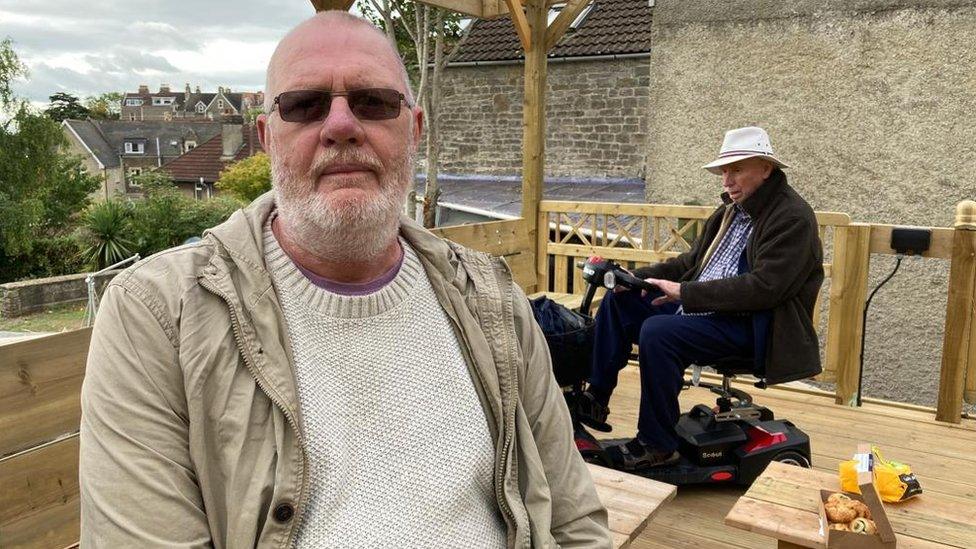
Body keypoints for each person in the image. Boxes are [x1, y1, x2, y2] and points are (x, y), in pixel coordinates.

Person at [79, 12, 610, 547]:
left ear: (415, 129)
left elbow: (574, 521)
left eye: (372, 102)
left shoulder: (492, 300)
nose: (340, 126)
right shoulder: (156, 316)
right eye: (304, 106)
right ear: (267, 137)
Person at [577, 126, 824, 471]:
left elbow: (765, 288)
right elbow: (689, 264)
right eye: (724, 170)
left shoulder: (792, 217)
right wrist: (636, 279)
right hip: (705, 309)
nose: (727, 180)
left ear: (766, 168)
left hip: (754, 328)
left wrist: (685, 293)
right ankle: (594, 400)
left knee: (660, 333)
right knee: (620, 303)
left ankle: (657, 444)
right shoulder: (730, 212)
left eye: (737, 169)